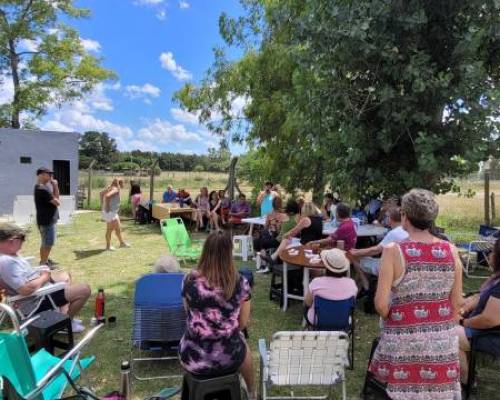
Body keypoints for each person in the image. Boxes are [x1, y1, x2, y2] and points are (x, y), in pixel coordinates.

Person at [368, 189, 462, 399]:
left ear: (405, 216)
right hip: (442, 345)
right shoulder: (451, 250)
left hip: (404, 344)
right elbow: (457, 304)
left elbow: (382, 306)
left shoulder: (393, 250)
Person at [179, 231, 254, 399]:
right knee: (243, 343)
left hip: (192, 356)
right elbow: (242, 323)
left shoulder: (188, 280)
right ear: (229, 254)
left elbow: (187, 312)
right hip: (229, 357)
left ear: (205, 251)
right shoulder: (241, 282)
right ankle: (252, 392)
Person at [0, 223, 90, 333]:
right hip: (35, 300)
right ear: (12, 240)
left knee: (65, 275)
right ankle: (65, 324)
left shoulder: (10, 254)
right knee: (84, 290)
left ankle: (62, 317)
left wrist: (42, 272)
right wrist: (44, 277)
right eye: (22, 238)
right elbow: (25, 289)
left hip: (39, 292)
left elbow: (23, 276)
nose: (23, 242)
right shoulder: (5, 262)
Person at [455, 238, 500, 384]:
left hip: (491, 336)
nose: (490, 255)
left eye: (493, 251)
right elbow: (479, 295)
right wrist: (464, 308)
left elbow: (489, 320)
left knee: (447, 334)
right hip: (484, 330)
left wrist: (463, 321)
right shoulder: (496, 279)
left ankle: (466, 381)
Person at [349, 208, 408, 290]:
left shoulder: (394, 233)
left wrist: (356, 253)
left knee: (355, 258)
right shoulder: (406, 230)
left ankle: (365, 286)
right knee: (364, 260)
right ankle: (361, 287)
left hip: (388, 268)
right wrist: (358, 251)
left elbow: (375, 250)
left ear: (390, 219)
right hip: (401, 266)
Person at [304, 248, 358, 325]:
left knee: (306, 306)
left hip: (317, 321)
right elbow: (352, 304)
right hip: (343, 321)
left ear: (326, 265)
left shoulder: (316, 282)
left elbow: (308, 302)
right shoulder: (351, 284)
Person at [254, 197, 289, 273]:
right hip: (282, 239)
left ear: (272, 205)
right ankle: (266, 263)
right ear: (281, 204)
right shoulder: (285, 215)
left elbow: (265, 228)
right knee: (260, 241)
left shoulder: (270, 215)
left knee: (258, 242)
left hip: (276, 239)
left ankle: (265, 265)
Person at [34, 167, 60, 267]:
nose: (51, 176)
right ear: (41, 175)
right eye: (49, 174)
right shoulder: (42, 189)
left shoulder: (41, 187)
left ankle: (45, 260)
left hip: (45, 219)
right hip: (47, 221)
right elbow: (57, 202)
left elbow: (54, 198)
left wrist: (53, 187)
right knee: (48, 243)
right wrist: (56, 186)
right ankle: (43, 263)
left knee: (46, 242)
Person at [101, 178, 130, 251]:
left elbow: (101, 193)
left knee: (118, 229)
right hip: (110, 212)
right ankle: (108, 247)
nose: (123, 184)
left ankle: (122, 243)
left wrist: (103, 205)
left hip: (111, 212)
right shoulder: (116, 189)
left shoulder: (111, 188)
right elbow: (107, 196)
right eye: (123, 183)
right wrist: (107, 206)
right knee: (110, 230)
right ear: (119, 184)